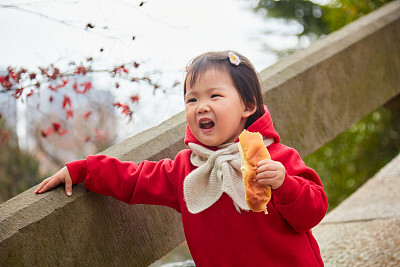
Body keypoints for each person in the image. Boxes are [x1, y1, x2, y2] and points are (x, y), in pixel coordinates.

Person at [35, 50, 328, 266]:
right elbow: (134, 179)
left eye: (214, 96)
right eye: (192, 99)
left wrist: (284, 184)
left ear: (248, 105)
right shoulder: (186, 169)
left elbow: (313, 211)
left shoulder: (276, 158)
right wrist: (84, 169)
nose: (201, 106)